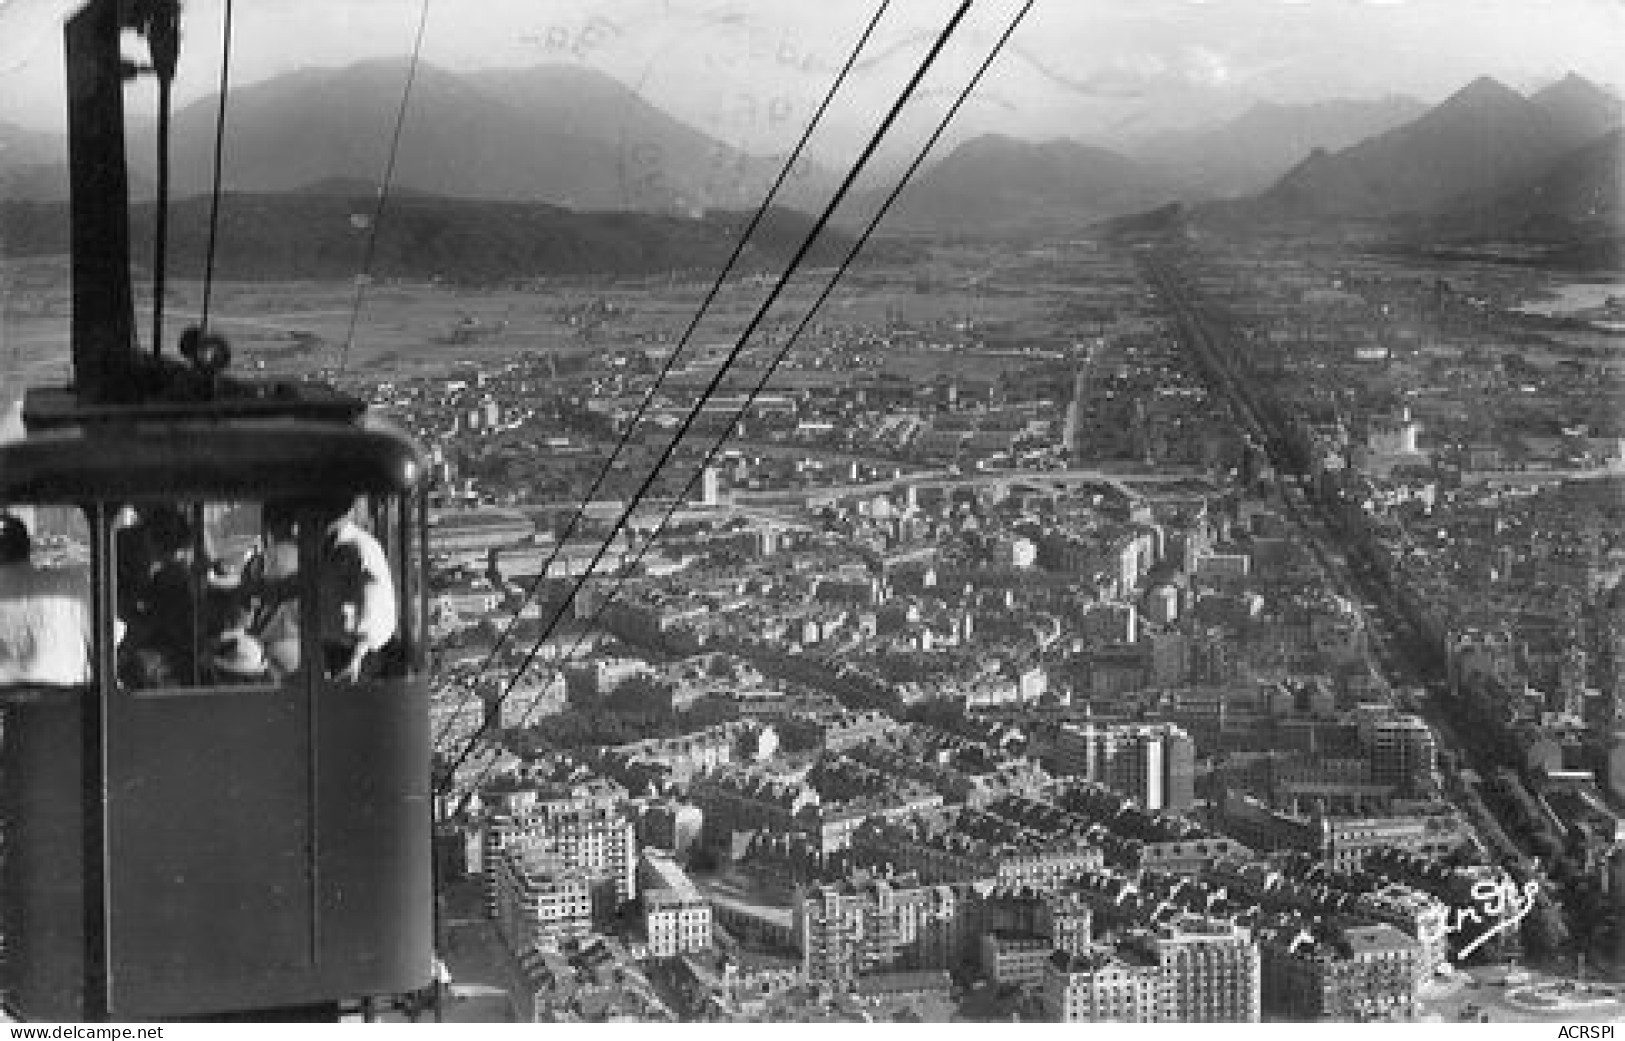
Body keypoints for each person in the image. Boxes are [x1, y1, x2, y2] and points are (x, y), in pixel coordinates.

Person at [311, 496, 397, 682]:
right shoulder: (324, 546)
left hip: (355, 655)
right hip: (330, 648)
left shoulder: (358, 548)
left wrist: (357, 655)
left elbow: (373, 599)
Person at [0, 513, 93, 687]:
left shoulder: (71, 583)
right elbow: (108, 641)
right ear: (27, 545)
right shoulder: (72, 583)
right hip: (68, 704)